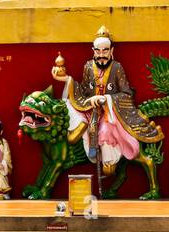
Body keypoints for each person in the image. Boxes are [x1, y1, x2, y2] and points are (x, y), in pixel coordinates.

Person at [57, 27, 163, 179]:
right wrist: (68, 80)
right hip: (90, 110)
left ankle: (109, 160)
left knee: (105, 131)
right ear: (93, 51)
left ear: (111, 50)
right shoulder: (88, 67)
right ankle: (91, 148)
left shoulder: (117, 68)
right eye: (98, 51)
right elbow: (84, 90)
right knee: (71, 110)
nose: (101, 55)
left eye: (105, 51)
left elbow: (127, 94)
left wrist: (106, 99)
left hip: (110, 113)